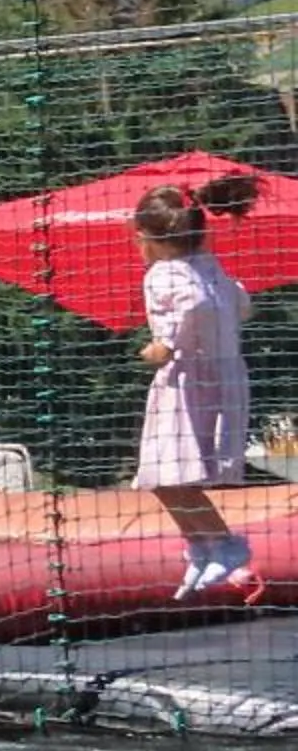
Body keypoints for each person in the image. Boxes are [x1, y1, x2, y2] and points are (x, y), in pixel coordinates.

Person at [132, 175, 264, 602]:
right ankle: (201, 547)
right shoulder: (209, 266)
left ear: (146, 238)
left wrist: (163, 345)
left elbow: (194, 307)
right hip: (221, 377)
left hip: (187, 384)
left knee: (171, 474)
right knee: (165, 477)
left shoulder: (162, 274)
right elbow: (241, 304)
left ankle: (223, 544)